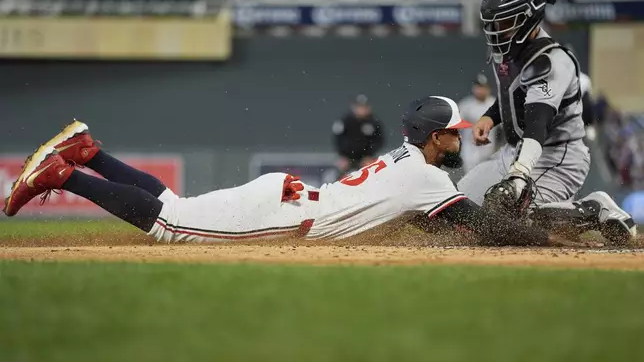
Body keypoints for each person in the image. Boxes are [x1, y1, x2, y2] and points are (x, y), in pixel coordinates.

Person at [2, 97, 634, 246]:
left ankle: (90, 153)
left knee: (178, 202)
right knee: (170, 223)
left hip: (286, 202)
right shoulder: (427, 178)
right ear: (434, 136)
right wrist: (557, 233)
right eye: (455, 132)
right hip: (283, 211)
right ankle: (65, 173)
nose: (461, 139)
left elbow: (446, 224)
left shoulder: (414, 166)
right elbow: (491, 231)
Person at [458, 0, 605, 231]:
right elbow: (514, 96)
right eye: (494, 23)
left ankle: (596, 208)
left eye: (505, 22)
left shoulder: (550, 62)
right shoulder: (508, 49)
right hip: (514, 150)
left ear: (529, 18)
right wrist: (490, 116)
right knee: (458, 209)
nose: (497, 30)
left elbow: (538, 124)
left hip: (557, 156)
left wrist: (519, 174)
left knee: (517, 224)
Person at [332, 94, 384, 179]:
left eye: (364, 107)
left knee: (372, 176)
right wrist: (343, 155)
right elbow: (338, 139)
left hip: (366, 158)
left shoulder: (374, 122)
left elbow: (379, 140)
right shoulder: (345, 120)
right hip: (347, 158)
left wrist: (369, 155)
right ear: (354, 107)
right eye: (359, 107)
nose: (362, 110)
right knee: (338, 175)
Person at [458, 73, 499, 173]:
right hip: (470, 148)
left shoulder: (494, 104)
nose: (480, 90)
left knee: (488, 176)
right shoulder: (466, 105)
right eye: (478, 87)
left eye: (483, 87)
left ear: (488, 88)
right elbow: (457, 126)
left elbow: (502, 129)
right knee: (470, 175)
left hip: (489, 148)